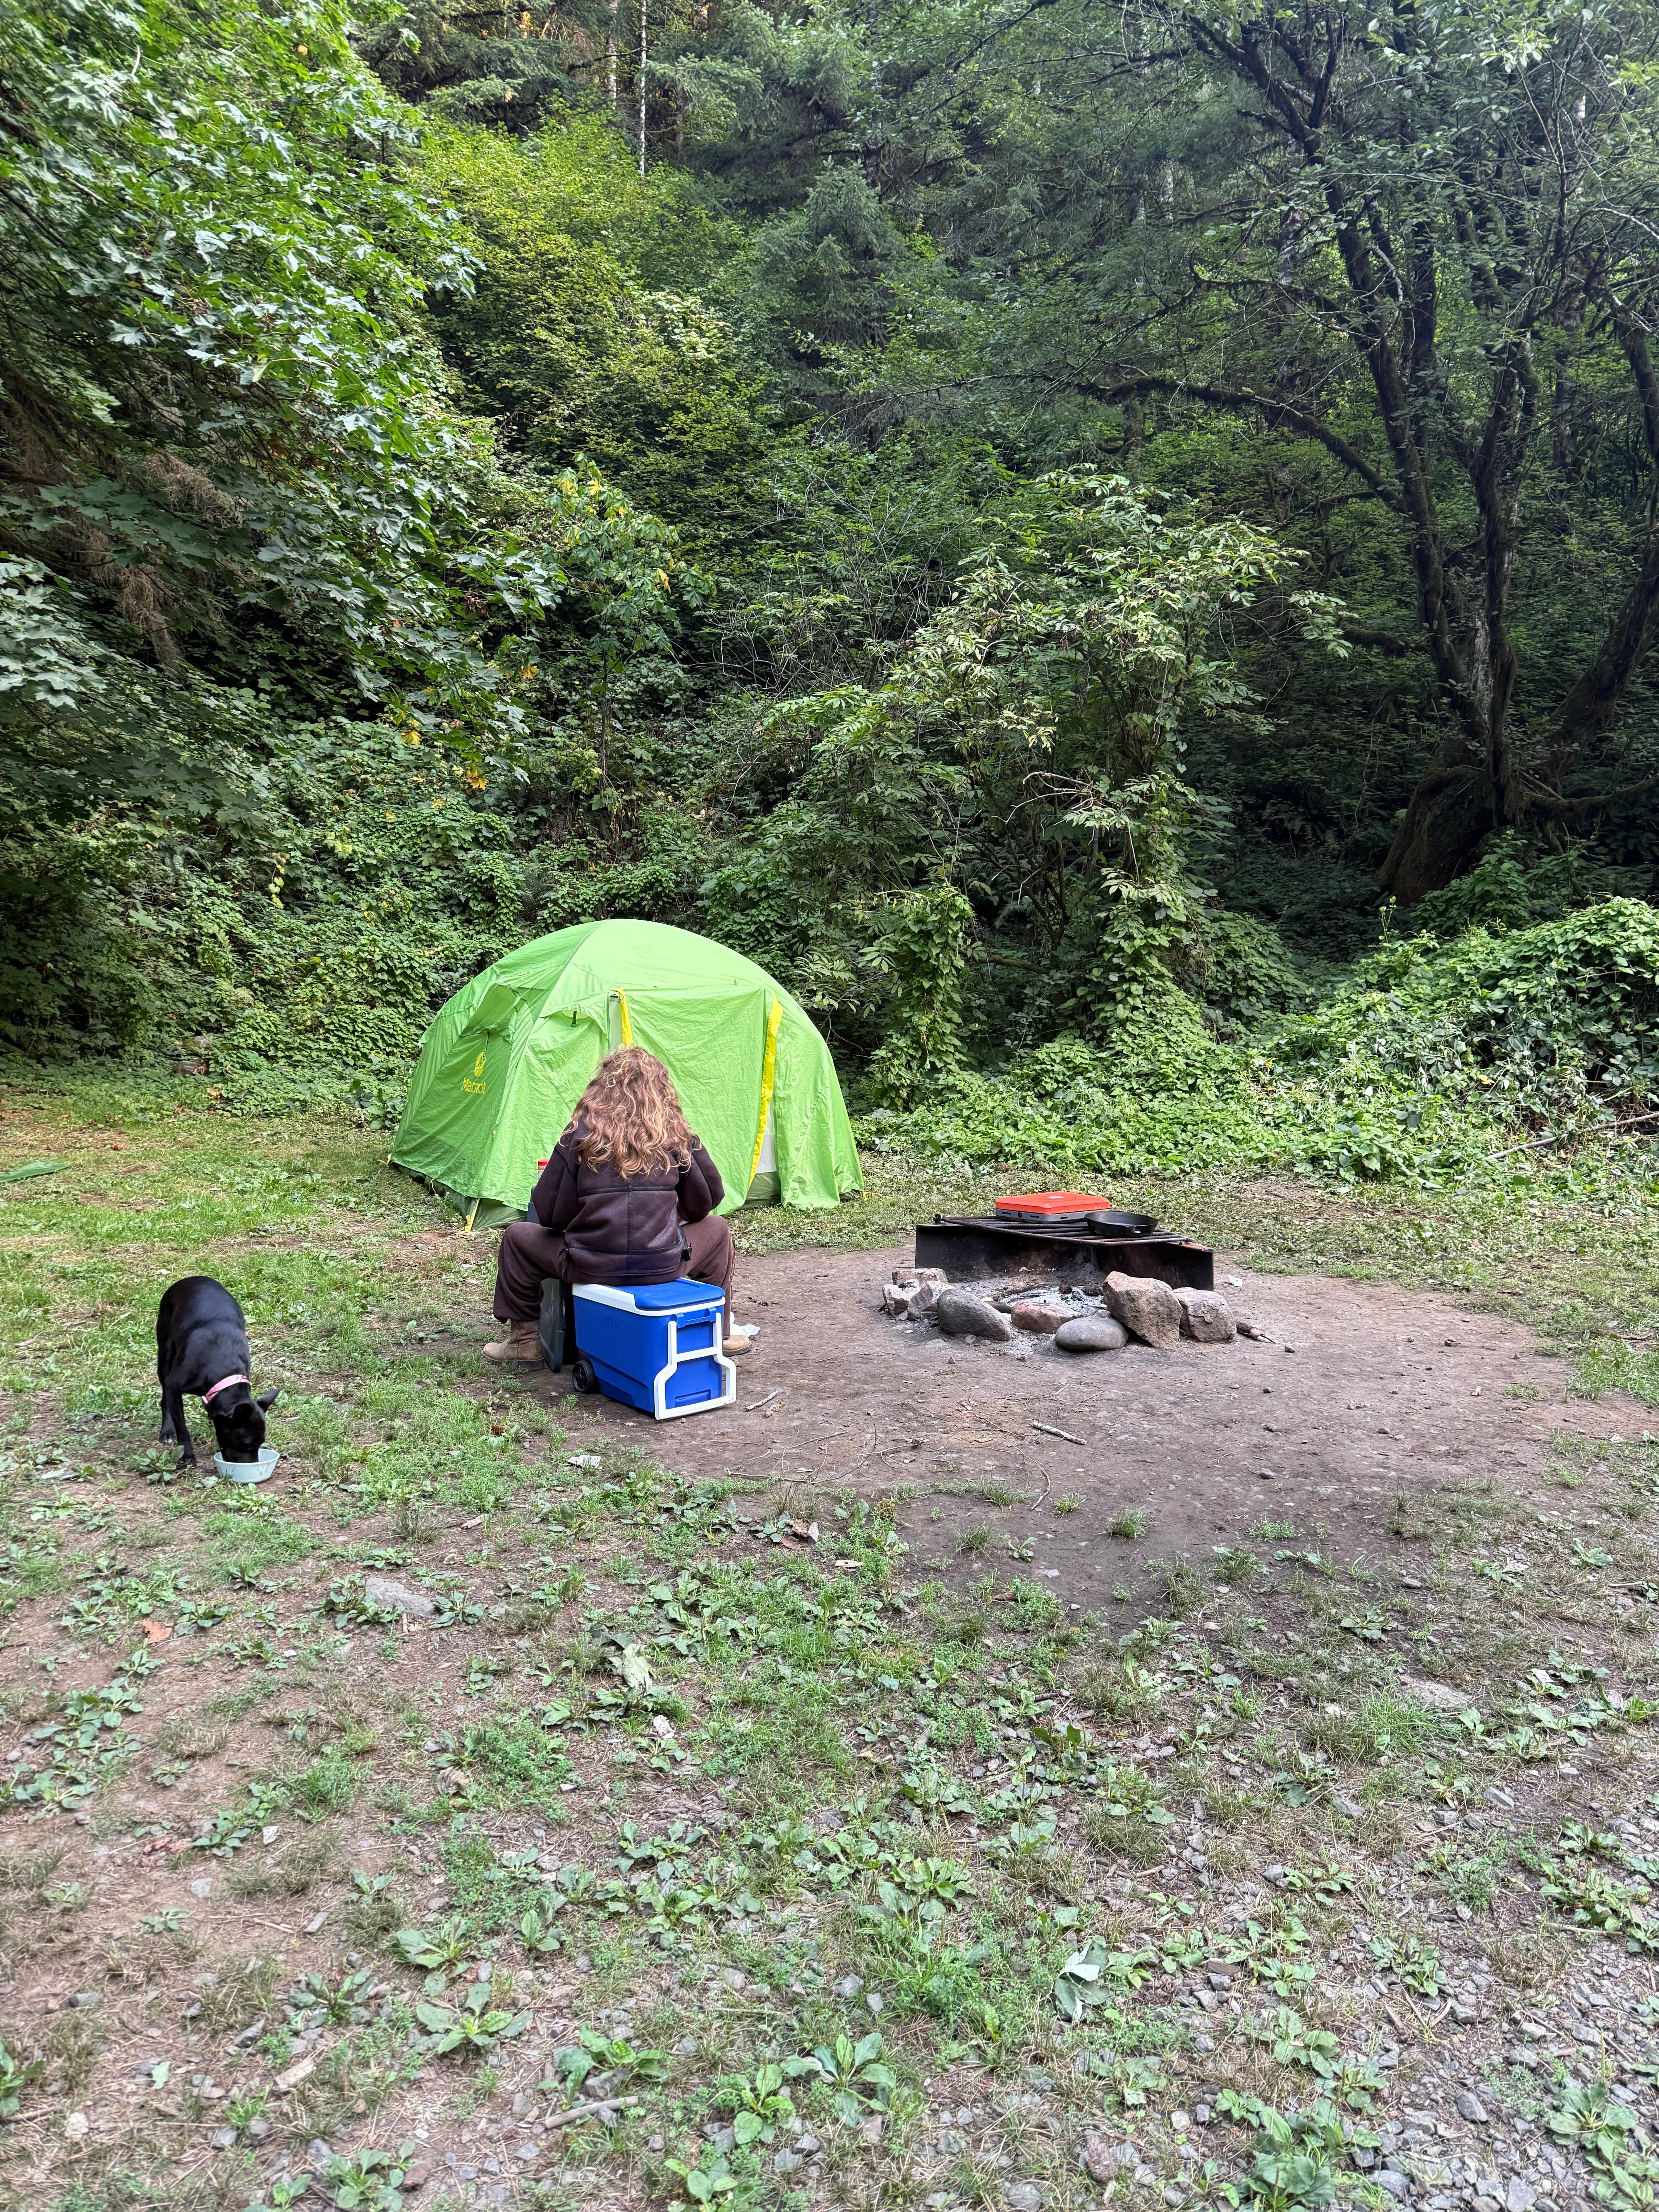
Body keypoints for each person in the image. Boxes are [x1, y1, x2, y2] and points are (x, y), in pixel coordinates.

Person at [484, 1047, 749, 1364]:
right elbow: (704, 1205)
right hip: (663, 1266)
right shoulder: (677, 1137)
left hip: (589, 1267)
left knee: (517, 1236)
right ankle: (719, 1334)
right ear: (662, 1091)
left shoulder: (579, 1135)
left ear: (601, 1087)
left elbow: (552, 1216)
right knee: (718, 1229)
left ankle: (524, 1341)